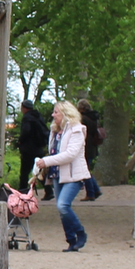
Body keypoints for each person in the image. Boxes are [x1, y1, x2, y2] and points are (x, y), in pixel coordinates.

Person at [33, 99, 89, 252]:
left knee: (63, 205)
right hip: (57, 174)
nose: (53, 115)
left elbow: (70, 154)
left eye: (56, 112)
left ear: (65, 113)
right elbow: (54, 151)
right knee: (62, 209)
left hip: (73, 175)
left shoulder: (77, 130)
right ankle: (71, 240)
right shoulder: (55, 131)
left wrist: (47, 161)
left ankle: (80, 233)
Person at [16, 100, 49, 189]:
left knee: (24, 172)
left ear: (24, 108)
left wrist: (20, 141)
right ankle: (49, 191)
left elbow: (26, 130)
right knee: (39, 170)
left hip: (28, 149)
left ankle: (22, 191)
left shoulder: (27, 117)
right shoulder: (38, 116)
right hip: (39, 147)